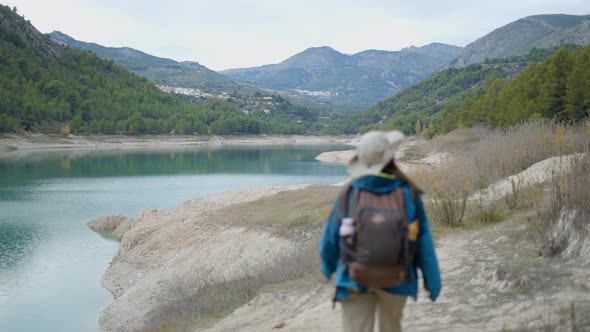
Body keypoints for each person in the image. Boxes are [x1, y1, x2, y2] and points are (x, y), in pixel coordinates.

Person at [320, 130, 441, 332]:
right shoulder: (407, 193)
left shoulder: (349, 192)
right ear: (390, 157)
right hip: (398, 278)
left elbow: (331, 239)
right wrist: (433, 282)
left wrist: (328, 268)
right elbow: (423, 242)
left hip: (353, 278)